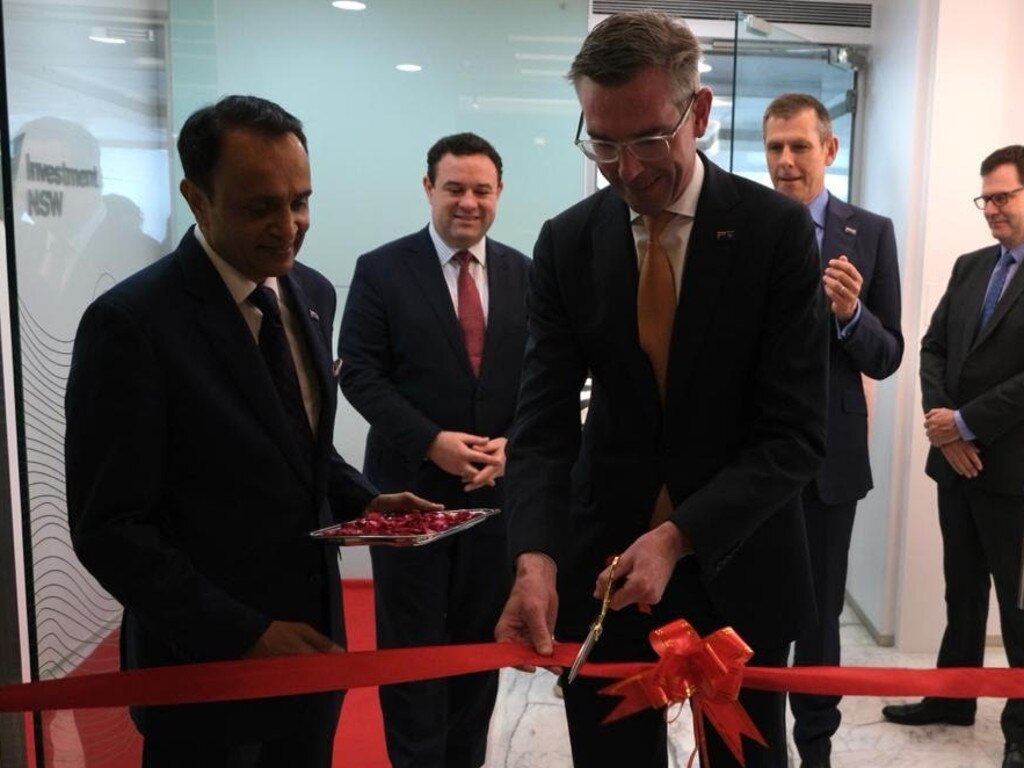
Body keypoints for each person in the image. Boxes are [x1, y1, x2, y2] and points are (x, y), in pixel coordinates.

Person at [494, 11, 829, 768]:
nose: (627, 169)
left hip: (738, 563)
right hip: (606, 576)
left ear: (698, 112)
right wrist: (536, 557)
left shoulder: (773, 235)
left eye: (648, 139)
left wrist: (680, 537)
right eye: (603, 142)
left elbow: (797, 434)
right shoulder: (568, 242)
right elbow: (543, 423)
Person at [65, 94, 435, 768]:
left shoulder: (312, 294)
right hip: (205, 675)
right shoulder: (132, 326)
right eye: (260, 206)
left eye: (300, 201)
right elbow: (109, 528)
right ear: (196, 198)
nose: (289, 226)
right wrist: (243, 633)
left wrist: (365, 501)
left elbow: (297, 445)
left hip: (313, 657)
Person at [337, 132, 529, 768]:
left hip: (492, 500)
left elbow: (543, 380)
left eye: (481, 190)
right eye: (454, 188)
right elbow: (359, 373)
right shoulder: (381, 269)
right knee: (411, 655)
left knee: (478, 651)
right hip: (407, 494)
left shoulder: (524, 274)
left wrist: (513, 446)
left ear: (499, 194)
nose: (468, 202)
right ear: (428, 189)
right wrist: (432, 443)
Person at [762, 93, 904, 768]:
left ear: (830, 150)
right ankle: (756, 743)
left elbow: (889, 352)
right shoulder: (738, 226)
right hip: (748, 461)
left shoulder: (869, 233)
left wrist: (851, 315)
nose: (786, 162)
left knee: (818, 617)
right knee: (753, 613)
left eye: (799, 146)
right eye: (774, 148)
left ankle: (814, 749)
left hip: (828, 459)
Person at [881, 144, 1024, 768]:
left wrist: (966, 423)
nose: (990, 209)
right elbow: (933, 348)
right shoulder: (972, 267)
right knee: (961, 590)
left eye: (1003, 197)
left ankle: (1021, 725)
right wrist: (944, 429)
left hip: (1013, 472)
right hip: (956, 466)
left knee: (1017, 607)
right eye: (985, 198)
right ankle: (953, 697)